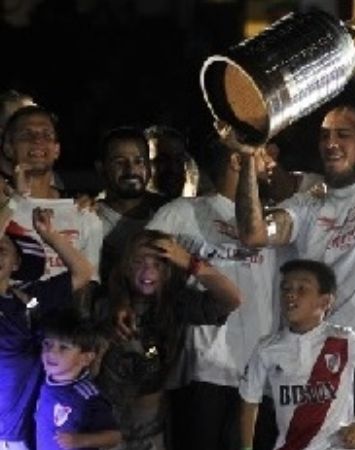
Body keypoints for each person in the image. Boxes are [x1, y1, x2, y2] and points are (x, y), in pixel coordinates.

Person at [234, 13, 355, 450]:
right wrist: (248, 157)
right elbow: (252, 234)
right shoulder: (308, 203)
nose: (331, 142)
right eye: (324, 135)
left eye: (344, 134)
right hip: (325, 361)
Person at [144, 134, 279, 450]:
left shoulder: (276, 221)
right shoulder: (180, 213)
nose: (272, 161)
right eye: (262, 154)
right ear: (237, 161)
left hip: (264, 379)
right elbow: (141, 268)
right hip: (204, 374)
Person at [99, 229, 243, 450]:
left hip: (150, 419)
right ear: (126, 266)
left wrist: (191, 263)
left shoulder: (176, 303)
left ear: (169, 270)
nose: (148, 271)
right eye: (139, 262)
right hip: (101, 414)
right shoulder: (105, 301)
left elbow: (231, 299)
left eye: (158, 264)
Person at [240, 259, 355, 450]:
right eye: (286, 289)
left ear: (325, 301)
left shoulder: (342, 339)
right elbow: (249, 400)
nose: (291, 295)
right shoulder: (266, 348)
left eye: (302, 289)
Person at [0, 205, 94, 450]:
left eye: (2, 250)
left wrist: (49, 235)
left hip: (23, 434)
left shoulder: (29, 298)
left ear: (17, 261)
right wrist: (11, 204)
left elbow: (83, 272)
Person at [1, 105, 102, 283]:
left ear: (57, 150)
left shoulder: (82, 211)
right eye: (27, 135)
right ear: (8, 148)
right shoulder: (4, 206)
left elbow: (89, 283)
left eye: (46, 135)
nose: (38, 140)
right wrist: (16, 199)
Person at [36, 309, 121, 450]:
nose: (51, 352)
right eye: (47, 344)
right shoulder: (46, 381)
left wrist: (81, 441)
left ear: (86, 358)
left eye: (63, 347)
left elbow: (114, 437)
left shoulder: (87, 396)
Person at [94, 126, 167, 283]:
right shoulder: (89, 218)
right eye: (119, 162)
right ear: (101, 168)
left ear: (149, 166)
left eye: (139, 161)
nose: (131, 169)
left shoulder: (169, 213)